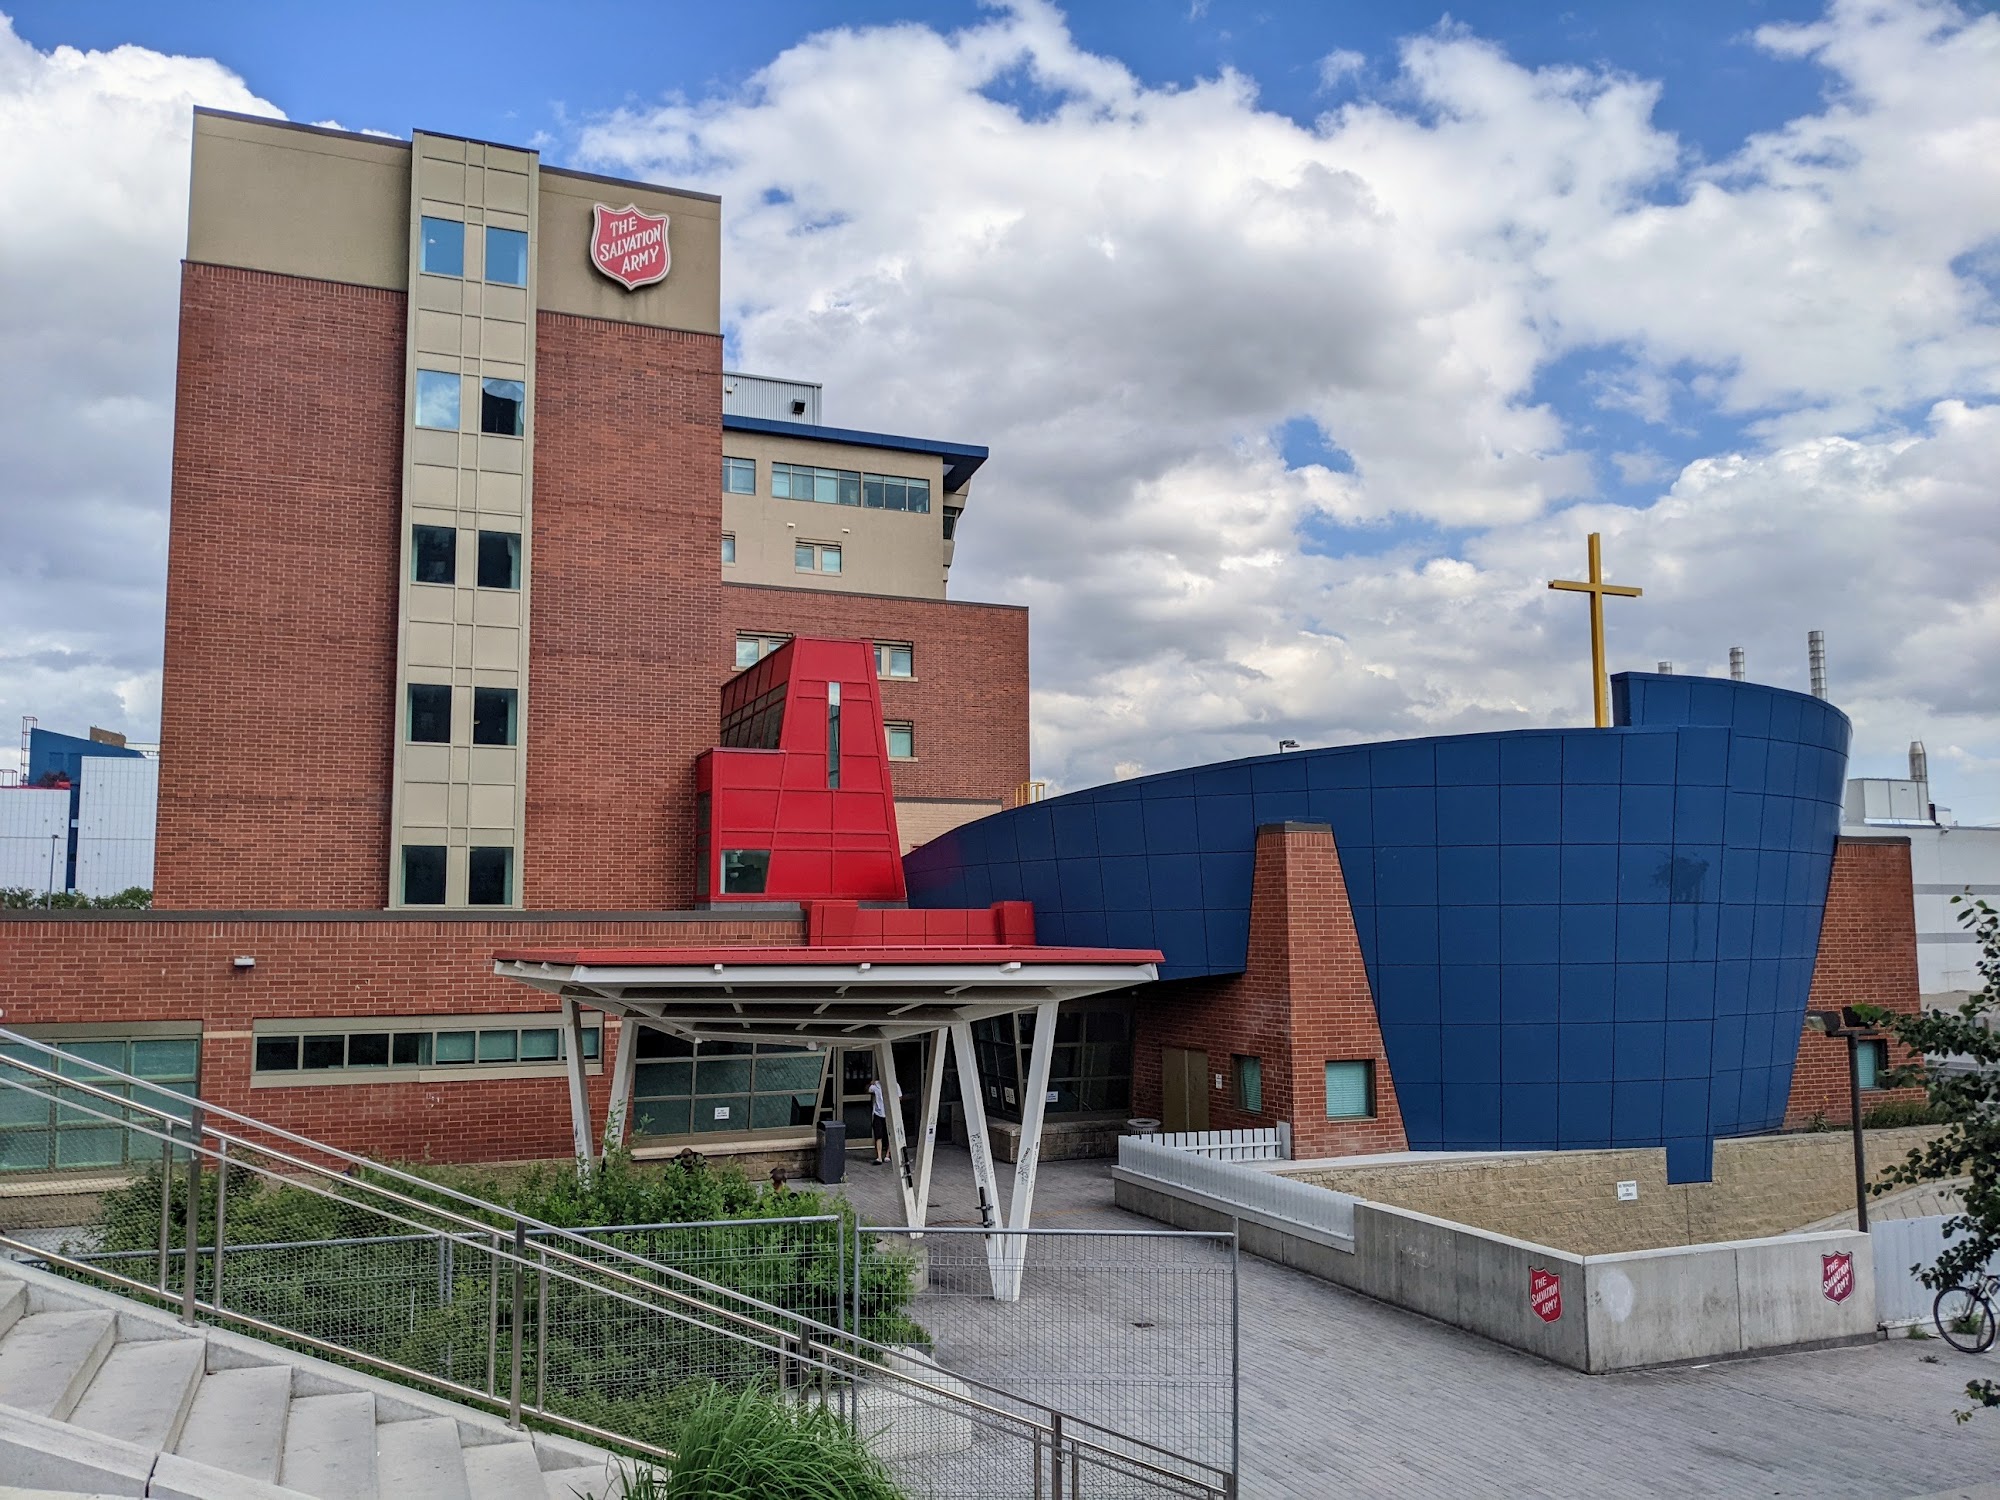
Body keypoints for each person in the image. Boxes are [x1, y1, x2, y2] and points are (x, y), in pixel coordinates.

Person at [866, 1072, 898, 1166]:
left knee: (890, 1134)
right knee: (878, 1135)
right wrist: (871, 1083)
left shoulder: (895, 1085)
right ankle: (879, 1156)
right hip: (878, 1114)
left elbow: (899, 1097)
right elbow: (867, 1089)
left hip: (890, 1114)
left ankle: (887, 1155)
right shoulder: (877, 1085)